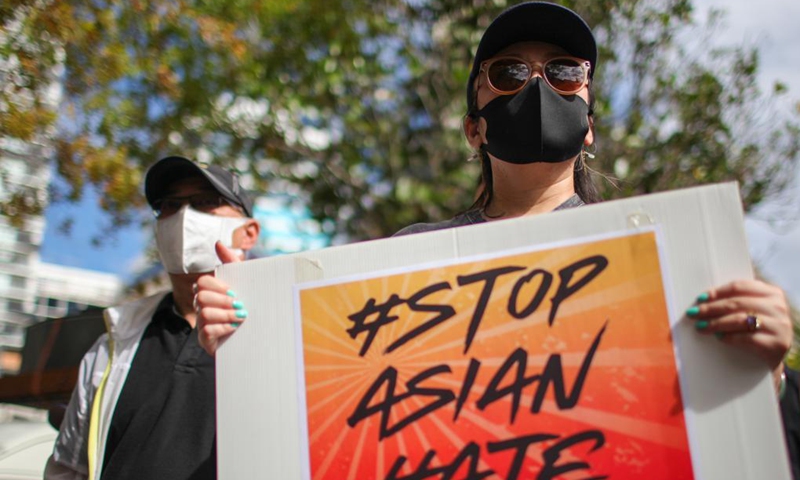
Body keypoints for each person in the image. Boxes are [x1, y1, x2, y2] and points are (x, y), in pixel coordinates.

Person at [193, 1, 797, 474]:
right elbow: (335, 419)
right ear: (473, 129)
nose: (539, 86)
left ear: (589, 124)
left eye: (564, 72)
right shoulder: (402, 259)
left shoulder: (674, 259)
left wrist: (762, 372)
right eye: (508, 73)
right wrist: (249, 347)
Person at [44, 156, 260, 480]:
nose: (185, 217)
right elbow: (68, 470)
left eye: (204, 202)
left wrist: (256, 337)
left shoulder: (286, 336)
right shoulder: (113, 346)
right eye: (170, 204)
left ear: (248, 233)